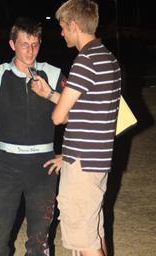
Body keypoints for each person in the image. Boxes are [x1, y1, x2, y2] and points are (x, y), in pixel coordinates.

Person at [0, 17, 66, 255]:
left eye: (35, 44)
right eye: (24, 44)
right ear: (12, 44)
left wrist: (68, 153)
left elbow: (78, 116)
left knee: (39, 238)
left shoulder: (53, 75)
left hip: (44, 166)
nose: (30, 50)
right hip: (6, 166)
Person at [31, 0, 122, 255]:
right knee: (94, 233)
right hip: (97, 160)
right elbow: (87, 112)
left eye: (63, 27)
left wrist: (73, 157)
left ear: (73, 25)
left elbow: (59, 118)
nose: (61, 33)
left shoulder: (85, 61)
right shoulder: (107, 58)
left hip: (83, 165)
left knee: (84, 242)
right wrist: (50, 94)